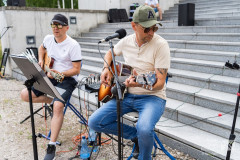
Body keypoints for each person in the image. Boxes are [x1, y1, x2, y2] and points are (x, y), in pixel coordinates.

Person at [88, 5, 170, 160]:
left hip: (153, 97)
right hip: (127, 95)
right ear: (134, 26)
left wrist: (139, 83)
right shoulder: (125, 42)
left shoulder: (161, 45)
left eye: (154, 28)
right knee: (95, 122)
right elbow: (109, 53)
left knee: (145, 129)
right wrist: (106, 68)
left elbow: (159, 83)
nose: (151, 33)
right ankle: (136, 137)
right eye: (147, 29)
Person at [20, 14, 82, 160]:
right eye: (53, 25)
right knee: (24, 94)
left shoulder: (73, 45)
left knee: (58, 107)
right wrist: (41, 60)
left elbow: (76, 70)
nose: (56, 28)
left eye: (59, 25)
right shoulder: (48, 39)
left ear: (67, 27)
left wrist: (60, 73)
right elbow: (42, 48)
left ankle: (51, 145)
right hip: (49, 76)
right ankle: (52, 100)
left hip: (66, 79)